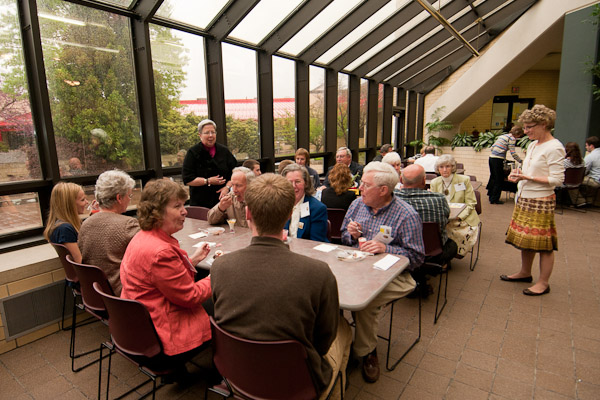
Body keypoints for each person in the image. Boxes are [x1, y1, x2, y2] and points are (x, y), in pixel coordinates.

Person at [211, 173, 352, 399]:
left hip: (237, 375)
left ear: (247, 213)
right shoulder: (318, 274)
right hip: (298, 385)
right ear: (288, 215)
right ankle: (332, 392)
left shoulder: (219, 267)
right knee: (343, 327)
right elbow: (323, 342)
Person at [341, 161, 424, 383]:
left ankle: (366, 352)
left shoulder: (406, 215)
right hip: (356, 269)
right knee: (329, 292)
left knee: (365, 303)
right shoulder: (357, 204)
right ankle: (339, 345)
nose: (360, 188)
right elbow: (343, 236)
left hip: (395, 276)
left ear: (383, 190)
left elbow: (416, 258)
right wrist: (351, 234)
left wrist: (385, 248)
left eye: (366, 185)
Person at [120, 179, 212, 358]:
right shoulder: (160, 252)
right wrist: (216, 274)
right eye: (177, 206)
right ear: (157, 212)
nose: (185, 211)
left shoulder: (142, 237)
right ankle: (219, 376)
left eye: (183, 205)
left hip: (140, 326)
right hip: (162, 333)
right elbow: (191, 297)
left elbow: (158, 280)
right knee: (223, 308)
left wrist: (191, 261)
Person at [501, 105, 565, 296]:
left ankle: (543, 283)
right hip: (525, 197)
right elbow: (530, 170)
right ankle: (525, 272)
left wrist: (528, 178)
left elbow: (557, 179)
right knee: (526, 239)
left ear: (544, 124)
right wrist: (519, 174)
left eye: (529, 127)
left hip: (541, 199)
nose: (526, 130)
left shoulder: (554, 147)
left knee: (543, 244)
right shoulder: (532, 144)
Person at [78, 170, 140, 296]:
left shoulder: (85, 224)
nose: (129, 200)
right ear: (119, 198)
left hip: (96, 295)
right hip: (123, 296)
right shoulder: (128, 225)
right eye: (129, 195)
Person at [396, 164, 457, 266]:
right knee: (452, 245)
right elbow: (446, 219)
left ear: (401, 180)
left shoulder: (392, 198)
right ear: (424, 181)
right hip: (434, 252)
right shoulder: (439, 199)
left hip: (401, 249)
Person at [430, 154, 480, 258]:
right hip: (444, 218)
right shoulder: (435, 182)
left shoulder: (464, 180)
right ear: (438, 169)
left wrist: (459, 216)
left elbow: (471, 203)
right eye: (441, 167)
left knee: (452, 233)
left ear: (452, 167)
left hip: (462, 218)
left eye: (447, 166)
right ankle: (444, 257)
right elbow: (434, 203)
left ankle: (451, 255)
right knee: (434, 232)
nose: (444, 170)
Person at [182, 119, 237, 208]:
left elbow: (235, 172)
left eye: (213, 132)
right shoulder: (193, 152)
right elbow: (187, 179)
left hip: (223, 201)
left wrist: (227, 188)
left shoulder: (224, 151)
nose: (211, 135)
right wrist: (208, 181)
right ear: (200, 135)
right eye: (207, 133)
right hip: (200, 202)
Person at [281, 163, 328, 242]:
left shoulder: (317, 209)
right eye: (289, 182)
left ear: (306, 183)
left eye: (298, 181)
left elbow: (316, 243)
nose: (293, 186)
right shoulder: (279, 205)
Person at [44, 182, 89, 263]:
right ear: (70, 204)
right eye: (82, 200)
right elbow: (80, 262)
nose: (87, 202)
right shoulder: (65, 229)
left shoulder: (61, 226)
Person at [486, 125, 525, 204]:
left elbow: (492, 147)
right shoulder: (512, 139)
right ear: (518, 134)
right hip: (498, 159)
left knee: (493, 177)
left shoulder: (503, 136)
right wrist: (521, 161)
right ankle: (495, 199)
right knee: (499, 179)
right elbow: (513, 153)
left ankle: (490, 195)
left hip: (491, 158)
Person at [581, 136, 600, 205]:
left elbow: (583, 170)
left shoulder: (590, 156)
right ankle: (589, 200)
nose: (586, 147)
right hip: (598, 179)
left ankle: (580, 201)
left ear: (591, 146)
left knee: (574, 181)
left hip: (596, 181)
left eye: (586, 145)